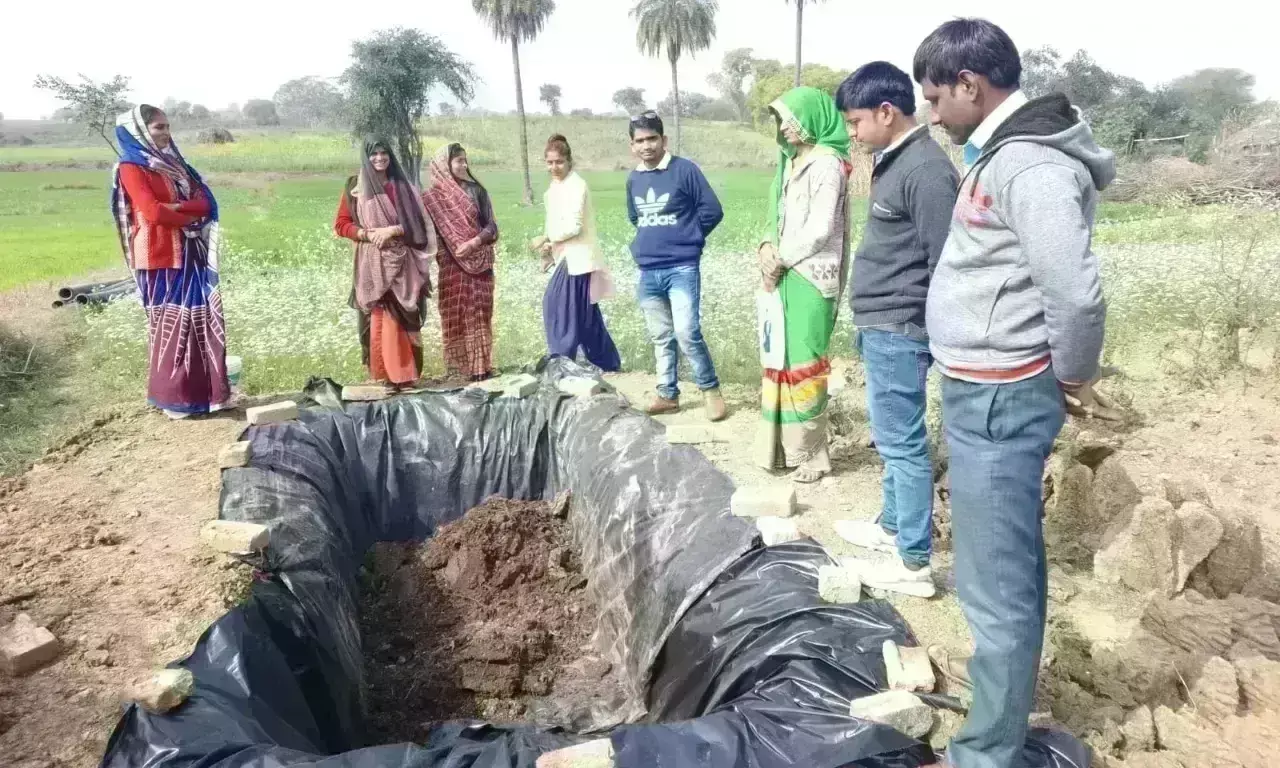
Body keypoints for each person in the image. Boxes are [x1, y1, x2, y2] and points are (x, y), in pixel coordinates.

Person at [913, 18, 1118, 768]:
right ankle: (1001, 713)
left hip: (1002, 394)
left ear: (972, 85)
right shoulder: (1003, 152)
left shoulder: (1028, 165)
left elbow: (1074, 293)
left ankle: (986, 754)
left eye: (937, 97)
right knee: (1000, 567)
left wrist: (1069, 375)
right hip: (985, 389)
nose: (932, 113)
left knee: (995, 584)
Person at [831, 62, 959, 597]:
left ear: (887, 112)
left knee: (903, 443)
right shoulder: (896, 162)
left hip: (900, 326)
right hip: (881, 323)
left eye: (857, 122)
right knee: (889, 435)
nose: (853, 134)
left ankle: (913, 563)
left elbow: (946, 261)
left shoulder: (927, 172)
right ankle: (891, 528)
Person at [754, 87, 853, 483]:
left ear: (813, 118)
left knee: (805, 365)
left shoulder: (828, 164)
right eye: (781, 119)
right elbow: (775, 215)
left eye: (792, 118)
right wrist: (765, 248)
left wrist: (780, 261)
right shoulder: (790, 162)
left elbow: (820, 228)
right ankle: (780, 448)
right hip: (781, 273)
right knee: (778, 357)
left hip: (811, 277)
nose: (785, 126)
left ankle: (813, 455)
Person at [110, 105, 230, 419]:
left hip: (190, 251)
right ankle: (173, 400)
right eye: (157, 128)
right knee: (171, 329)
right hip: (159, 257)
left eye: (166, 127)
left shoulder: (177, 164)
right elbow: (152, 213)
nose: (165, 133)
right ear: (138, 132)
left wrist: (175, 206)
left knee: (201, 322)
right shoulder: (131, 167)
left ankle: (203, 397)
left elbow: (207, 203)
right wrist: (185, 210)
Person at [625, 111, 727, 421]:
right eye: (639, 141)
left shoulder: (685, 170)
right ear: (632, 145)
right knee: (661, 335)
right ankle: (667, 395)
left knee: (687, 332)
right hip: (648, 270)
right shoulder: (634, 178)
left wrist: (688, 237)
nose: (646, 146)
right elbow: (635, 217)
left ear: (663, 140)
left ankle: (710, 391)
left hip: (681, 267)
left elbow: (712, 210)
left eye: (652, 138)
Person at [333, 138, 437, 387]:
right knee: (376, 317)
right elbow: (341, 224)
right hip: (371, 265)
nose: (379, 158)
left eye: (384, 153)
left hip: (403, 264)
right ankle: (381, 376)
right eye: (374, 154)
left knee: (402, 315)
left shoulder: (402, 187)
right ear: (366, 157)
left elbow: (418, 226)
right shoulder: (354, 187)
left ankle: (405, 376)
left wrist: (391, 230)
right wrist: (367, 234)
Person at [533, 134, 622, 371]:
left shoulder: (576, 185)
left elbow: (574, 226)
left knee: (556, 306)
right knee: (585, 315)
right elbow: (553, 220)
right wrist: (548, 251)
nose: (554, 167)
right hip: (568, 256)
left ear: (569, 161)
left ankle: (561, 364)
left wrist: (547, 237)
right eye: (550, 162)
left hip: (579, 257)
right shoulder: (555, 187)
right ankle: (608, 362)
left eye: (559, 162)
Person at [422, 143, 499, 381]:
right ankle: (457, 370)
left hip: (479, 264)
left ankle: (480, 369)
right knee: (454, 316)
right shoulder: (431, 199)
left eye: (466, 160)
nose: (464, 165)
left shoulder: (477, 191)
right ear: (444, 165)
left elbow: (492, 228)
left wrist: (474, 243)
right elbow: (425, 234)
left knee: (479, 315)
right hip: (451, 267)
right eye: (458, 161)